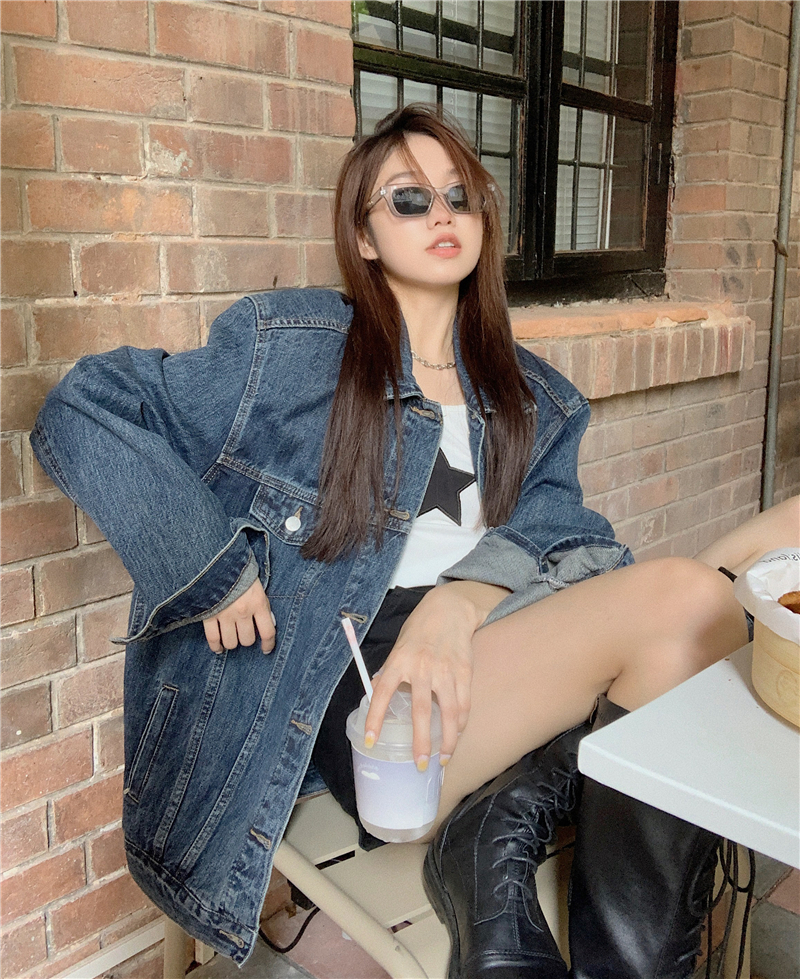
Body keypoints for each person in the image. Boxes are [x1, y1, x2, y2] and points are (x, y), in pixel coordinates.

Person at [29, 103, 793, 976]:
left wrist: (456, 607)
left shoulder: (534, 397)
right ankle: (499, 820)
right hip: (362, 683)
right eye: (408, 199)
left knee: (703, 608)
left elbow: (559, 525)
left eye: (461, 197)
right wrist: (209, 567)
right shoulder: (291, 349)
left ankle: (527, 856)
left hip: (483, 642)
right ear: (362, 234)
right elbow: (84, 407)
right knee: (690, 602)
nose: (442, 214)